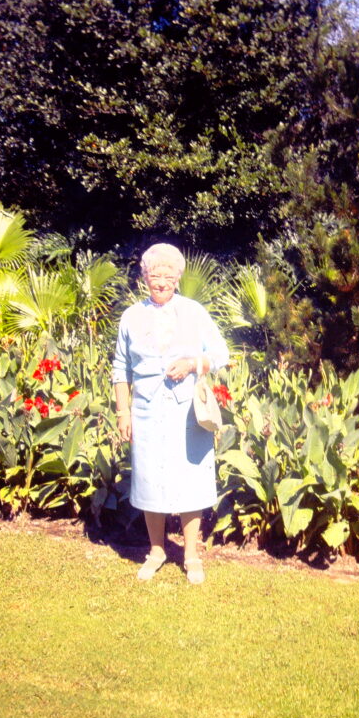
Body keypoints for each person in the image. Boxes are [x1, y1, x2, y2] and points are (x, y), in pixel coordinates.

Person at [112, 243, 229, 584]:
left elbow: (220, 353)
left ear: (178, 277)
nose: (160, 282)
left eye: (167, 275)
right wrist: (123, 412)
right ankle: (157, 550)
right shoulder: (131, 317)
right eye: (154, 275)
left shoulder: (194, 312)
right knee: (150, 480)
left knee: (190, 480)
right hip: (146, 411)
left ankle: (191, 554)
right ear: (143, 277)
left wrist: (194, 363)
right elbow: (121, 368)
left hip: (187, 414)